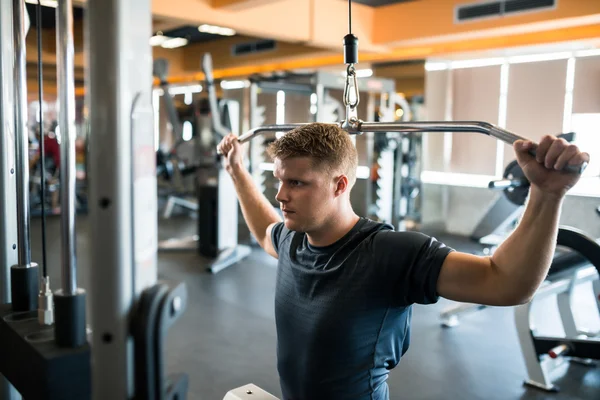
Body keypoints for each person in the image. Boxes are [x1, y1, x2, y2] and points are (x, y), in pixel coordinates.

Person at [216, 123, 589, 400]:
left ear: (340, 185)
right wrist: (236, 170)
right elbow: (265, 229)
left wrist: (545, 194)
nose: (281, 195)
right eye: (279, 180)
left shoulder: (390, 252)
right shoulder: (292, 238)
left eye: (297, 183)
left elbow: (505, 281)